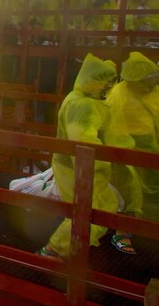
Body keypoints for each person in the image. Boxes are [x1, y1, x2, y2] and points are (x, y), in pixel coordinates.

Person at [104, 53, 159, 254]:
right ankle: (122, 233)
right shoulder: (119, 93)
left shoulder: (158, 93)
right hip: (127, 150)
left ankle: (147, 229)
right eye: (147, 80)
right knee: (130, 192)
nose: (151, 83)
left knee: (155, 189)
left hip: (153, 148)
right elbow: (110, 122)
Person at [38, 54, 119, 260]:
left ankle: (71, 246)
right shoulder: (83, 105)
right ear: (94, 80)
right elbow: (83, 142)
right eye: (106, 83)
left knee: (101, 206)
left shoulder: (79, 99)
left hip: (71, 164)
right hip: (77, 168)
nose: (109, 88)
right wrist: (109, 160)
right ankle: (54, 249)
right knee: (88, 210)